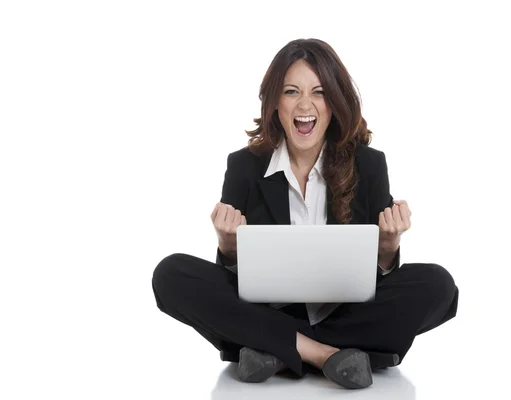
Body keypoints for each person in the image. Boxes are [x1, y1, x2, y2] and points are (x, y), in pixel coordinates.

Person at [151, 38, 459, 390]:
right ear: (274, 104)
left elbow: (380, 284)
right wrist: (228, 246)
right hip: (268, 310)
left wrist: (387, 249)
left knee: (438, 285)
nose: (305, 105)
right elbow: (233, 280)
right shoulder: (244, 167)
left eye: (319, 92)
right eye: (291, 91)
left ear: (335, 103)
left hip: (345, 314)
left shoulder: (369, 165)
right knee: (170, 274)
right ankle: (326, 354)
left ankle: (274, 348)